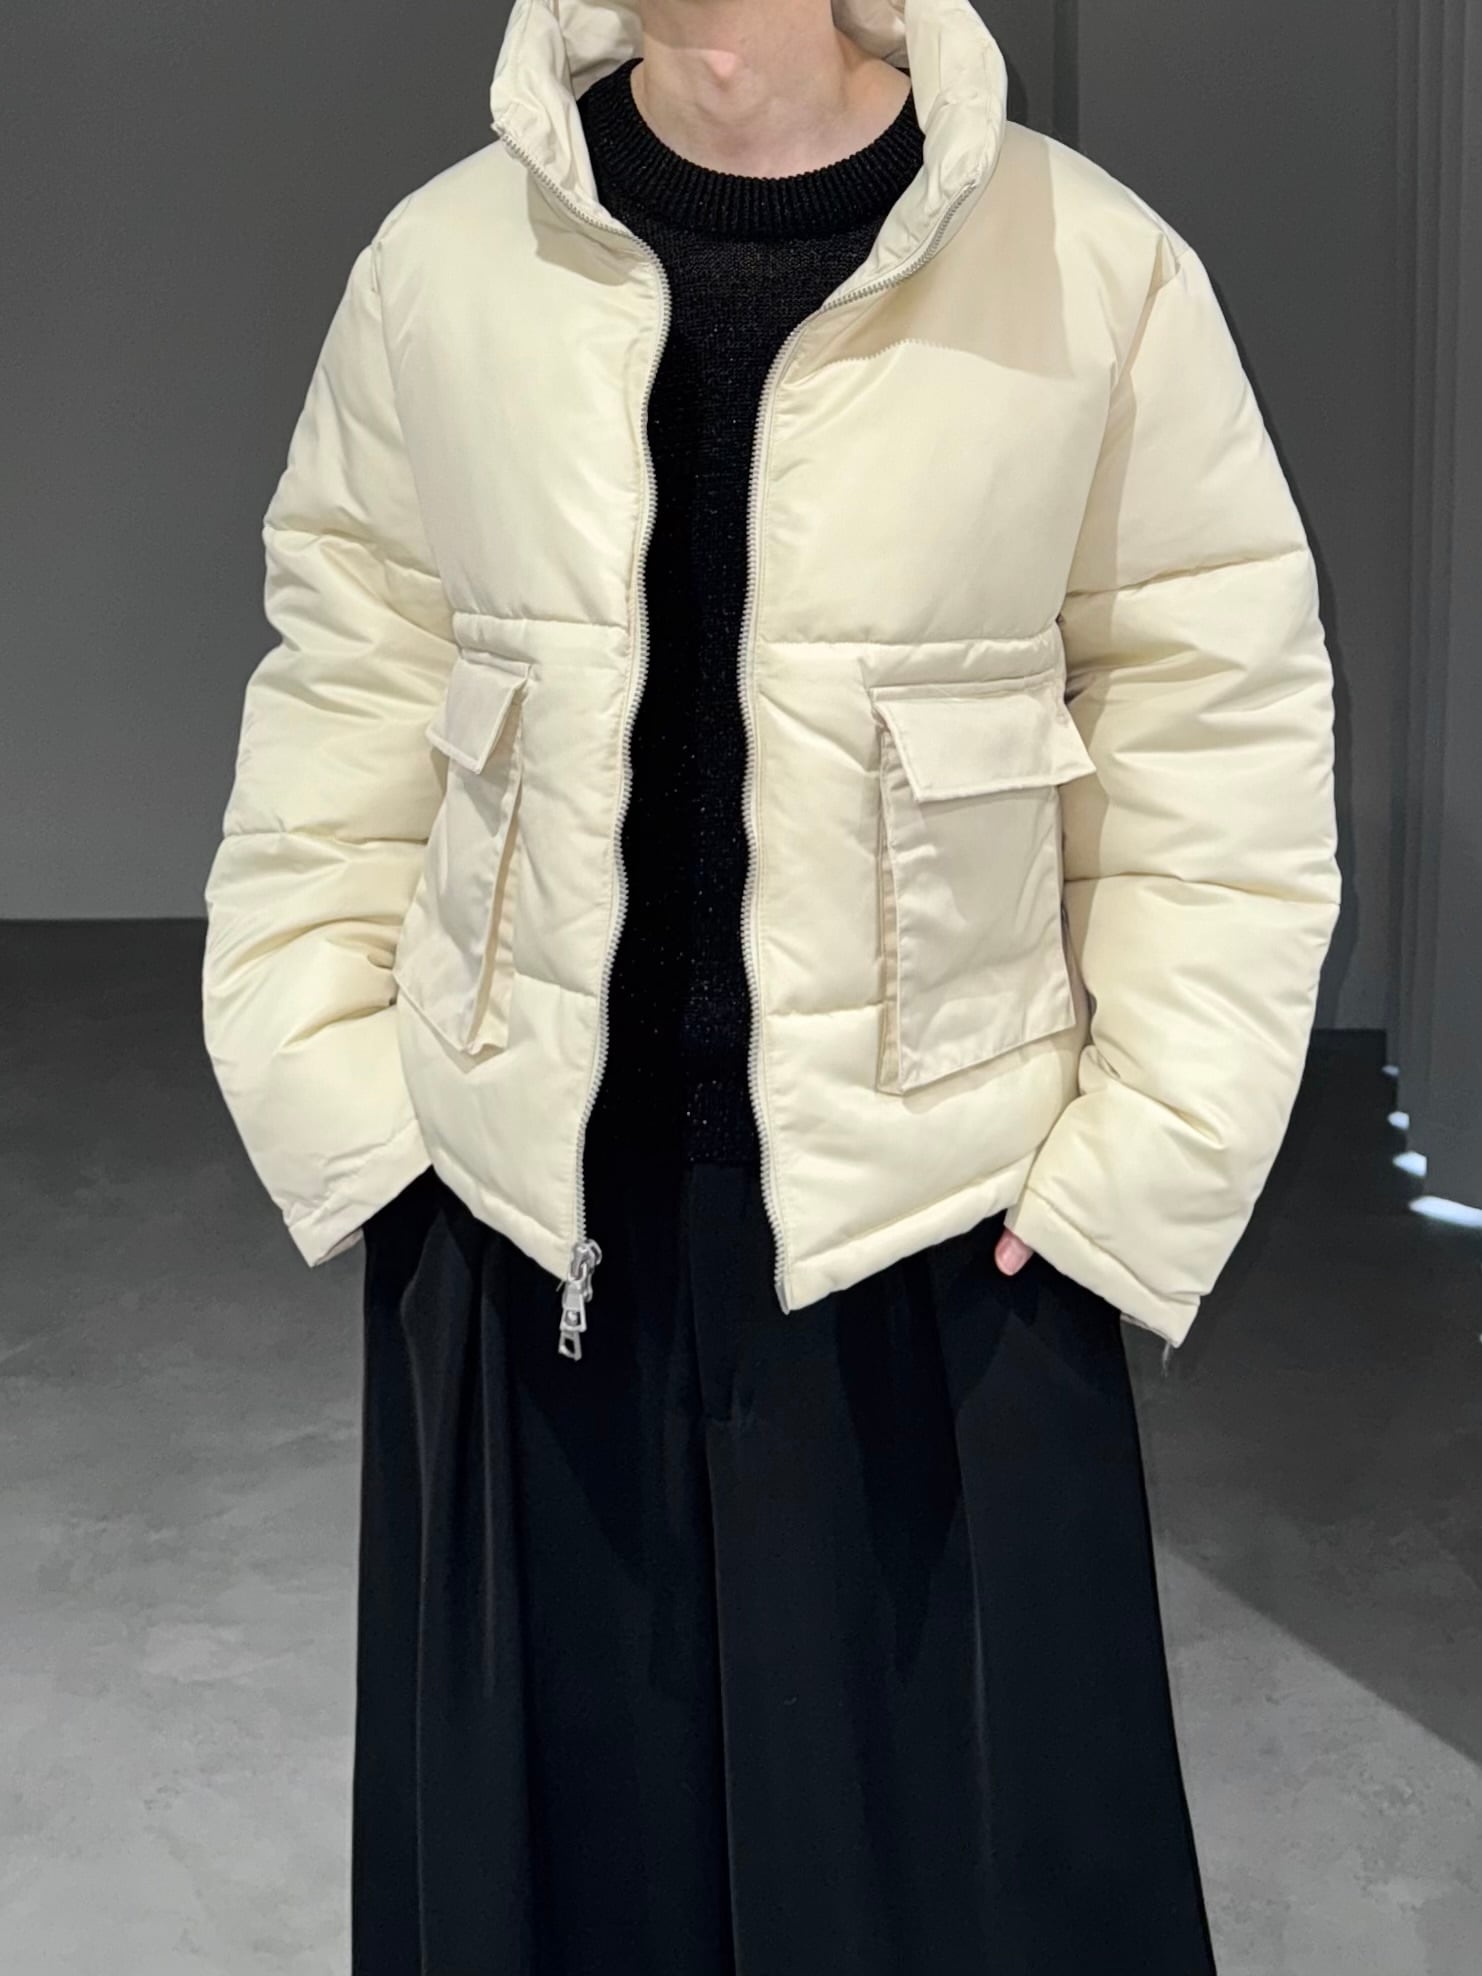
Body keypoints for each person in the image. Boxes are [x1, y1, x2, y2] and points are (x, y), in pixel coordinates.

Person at [201, 0, 1341, 1968]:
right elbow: (350, 678)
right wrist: (346, 1105)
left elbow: (1214, 735)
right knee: (557, 1886)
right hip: (527, 1217)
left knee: (954, 1892)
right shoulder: (444, 266)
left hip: (947, 1230)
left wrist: (1135, 1172)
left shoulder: (1087, 266)